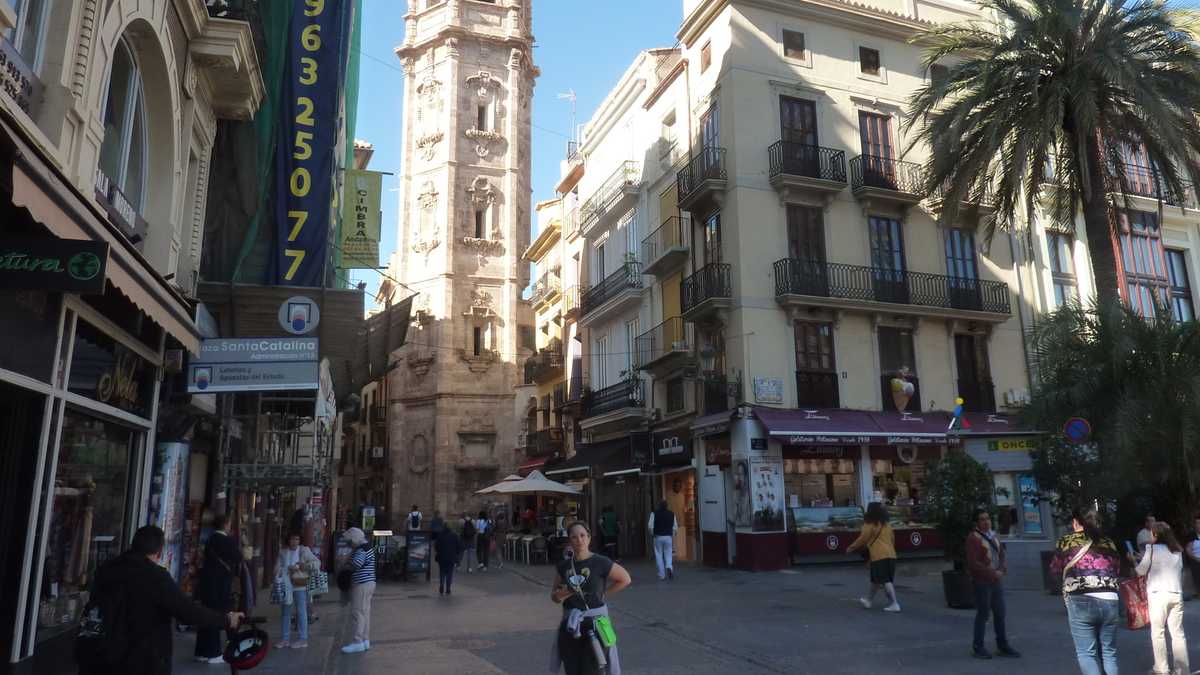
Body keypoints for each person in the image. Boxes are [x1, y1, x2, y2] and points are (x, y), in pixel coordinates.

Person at [78, 525, 242, 675]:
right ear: (159, 552)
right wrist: (226, 620)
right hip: (140, 660)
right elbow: (188, 611)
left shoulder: (106, 570)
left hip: (100, 655)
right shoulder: (155, 577)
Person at [550, 522, 632, 675]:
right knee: (572, 669)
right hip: (571, 625)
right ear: (569, 541)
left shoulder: (600, 562)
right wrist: (563, 593)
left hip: (595, 625)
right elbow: (554, 597)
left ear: (589, 538)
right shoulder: (564, 566)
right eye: (574, 537)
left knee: (593, 669)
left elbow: (625, 579)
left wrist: (603, 594)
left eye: (582, 535)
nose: (579, 540)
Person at [1050, 508, 1122, 675]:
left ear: (1076, 523)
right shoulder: (1108, 542)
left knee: (1086, 653)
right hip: (1110, 598)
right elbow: (1117, 569)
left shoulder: (1066, 541)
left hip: (1080, 599)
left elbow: (1055, 569)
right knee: (1109, 654)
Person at [1129, 521, 1189, 675]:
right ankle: (1182, 670)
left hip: (1158, 594)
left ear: (1155, 534)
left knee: (1158, 632)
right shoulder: (1178, 550)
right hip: (1176, 593)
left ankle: (1162, 669)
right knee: (1178, 634)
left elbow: (1141, 571)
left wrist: (1133, 560)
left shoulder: (1152, 549)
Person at [966, 509, 1020, 659]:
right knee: (983, 614)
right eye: (982, 519)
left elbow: (1001, 553)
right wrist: (992, 572)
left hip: (996, 580)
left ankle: (1002, 645)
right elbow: (973, 563)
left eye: (988, 518)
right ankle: (978, 646)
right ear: (976, 523)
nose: (986, 521)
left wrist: (1002, 568)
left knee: (1000, 613)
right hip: (982, 581)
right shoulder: (973, 538)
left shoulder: (993, 536)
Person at [193, 513, 242, 663]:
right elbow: (238, 557)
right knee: (216, 614)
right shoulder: (226, 540)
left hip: (206, 581)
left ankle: (201, 651)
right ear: (226, 524)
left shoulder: (209, 539)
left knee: (205, 613)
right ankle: (214, 653)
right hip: (220, 583)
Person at [846, 502, 900, 613]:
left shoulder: (869, 524)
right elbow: (892, 538)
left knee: (885, 580)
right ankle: (868, 600)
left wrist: (851, 548)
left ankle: (894, 603)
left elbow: (863, 539)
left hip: (879, 555)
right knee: (876, 579)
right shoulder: (886, 524)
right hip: (891, 554)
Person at [273, 531, 319, 649]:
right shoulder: (283, 552)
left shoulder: (304, 550)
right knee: (285, 612)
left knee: (301, 611)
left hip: (300, 584)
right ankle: (285, 639)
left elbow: (317, 563)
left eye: (297, 539)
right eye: (292, 539)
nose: (294, 542)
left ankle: (303, 639)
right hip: (286, 585)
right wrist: (286, 569)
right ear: (288, 540)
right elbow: (276, 568)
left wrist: (305, 566)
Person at [341, 527, 376, 654]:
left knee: (357, 613)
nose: (348, 544)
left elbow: (357, 564)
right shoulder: (368, 547)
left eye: (349, 541)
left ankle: (357, 641)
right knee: (365, 612)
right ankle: (365, 640)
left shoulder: (361, 550)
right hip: (370, 583)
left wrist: (344, 563)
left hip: (361, 584)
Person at [648, 501, 678, 581]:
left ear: (659, 506)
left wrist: (652, 534)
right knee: (668, 553)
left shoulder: (654, 513)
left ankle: (662, 575)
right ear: (667, 506)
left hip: (658, 537)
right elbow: (675, 527)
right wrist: (673, 535)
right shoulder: (672, 514)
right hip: (668, 537)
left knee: (659, 555)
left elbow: (650, 526)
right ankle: (669, 566)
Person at [434, 525, 465, 595]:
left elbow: (436, 546)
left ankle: (441, 585)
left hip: (441, 558)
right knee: (449, 574)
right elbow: (459, 546)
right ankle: (448, 588)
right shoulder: (454, 536)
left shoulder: (440, 536)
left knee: (442, 572)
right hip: (451, 558)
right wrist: (456, 554)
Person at [1187, 515, 1200, 597]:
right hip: (1195, 559)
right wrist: (1197, 558)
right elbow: (1188, 550)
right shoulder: (1191, 535)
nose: (1199, 525)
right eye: (1197, 523)